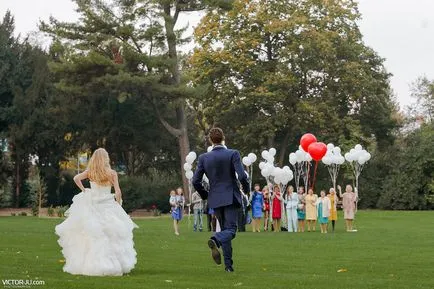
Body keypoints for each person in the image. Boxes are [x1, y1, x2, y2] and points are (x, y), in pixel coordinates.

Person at [55, 148, 138, 276]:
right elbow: (118, 191)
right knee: (112, 235)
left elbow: (76, 178)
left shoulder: (90, 172)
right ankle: (112, 264)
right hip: (107, 204)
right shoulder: (111, 173)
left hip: (93, 204)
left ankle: (92, 265)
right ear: (106, 158)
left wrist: (84, 190)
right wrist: (119, 202)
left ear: (94, 158)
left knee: (93, 236)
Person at [193, 127, 249, 273]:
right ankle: (215, 240)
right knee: (231, 230)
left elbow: (195, 181)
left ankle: (228, 266)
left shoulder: (204, 158)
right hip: (230, 196)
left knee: (226, 230)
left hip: (215, 198)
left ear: (211, 140)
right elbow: (242, 176)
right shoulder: (233, 154)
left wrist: (205, 195)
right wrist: (247, 190)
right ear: (223, 138)